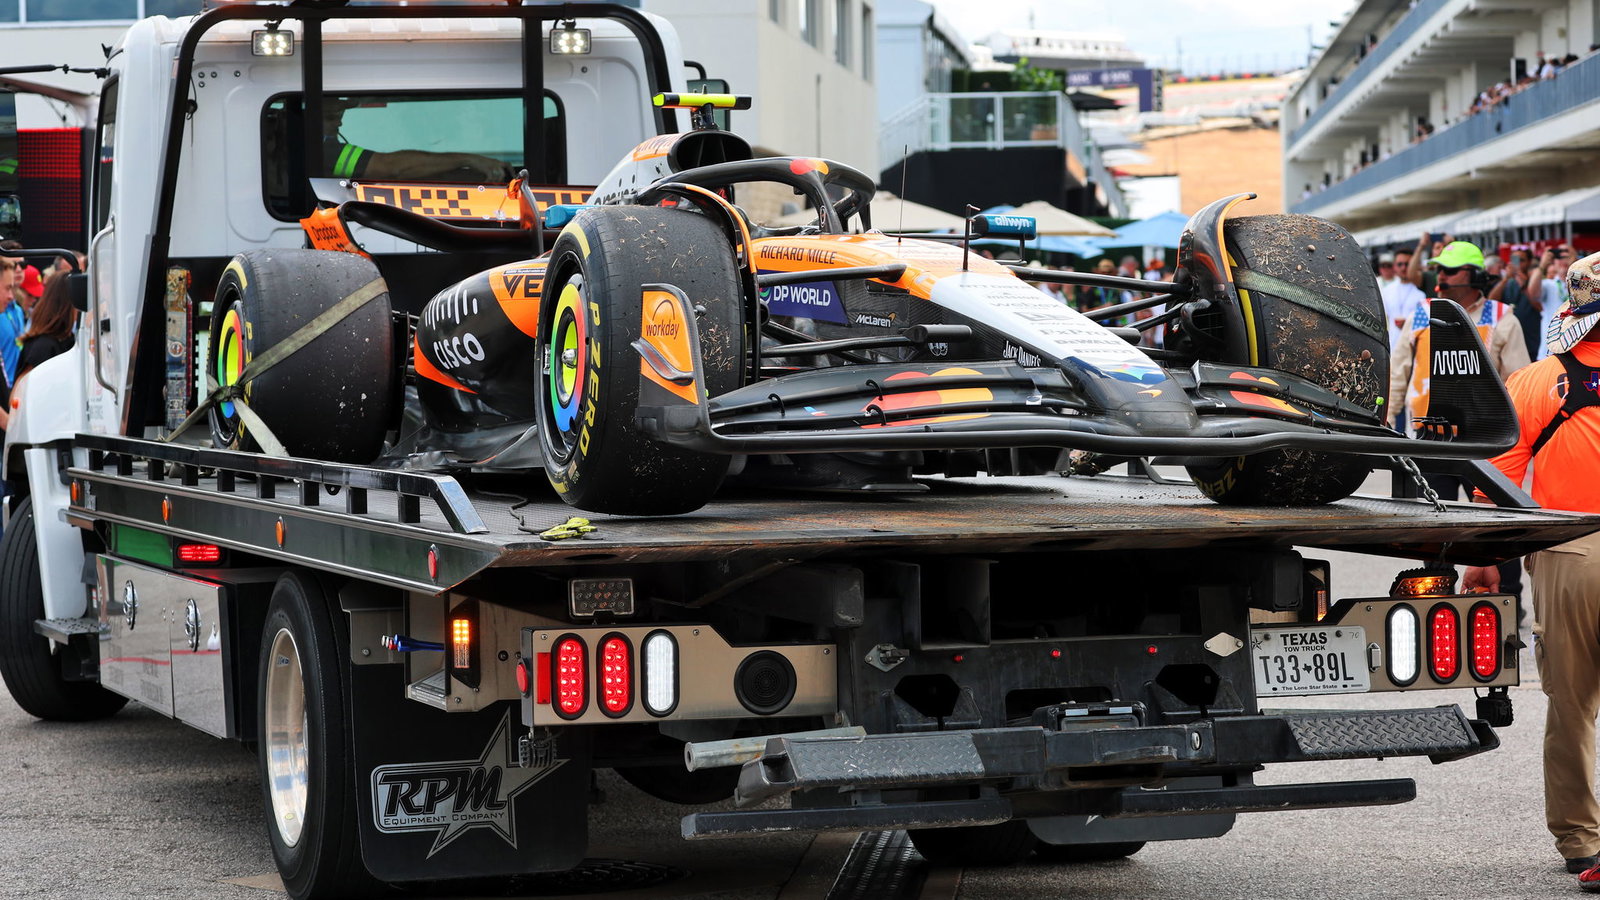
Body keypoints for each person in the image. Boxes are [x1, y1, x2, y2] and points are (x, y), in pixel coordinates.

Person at [1461, 250, 1600, 887]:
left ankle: (1584, 845)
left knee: (1572, 706)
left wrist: (1486, 561)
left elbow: (1496, 480)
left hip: (1571, 553)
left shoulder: (1541, 382)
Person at [1390, 240, 1529, 436]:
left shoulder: (1501, 318)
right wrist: (1387, 417)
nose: (1441, 275)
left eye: (1450, 270)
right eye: (1439, 269)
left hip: (1481, 434)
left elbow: (1519, 382)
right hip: (1423, 433)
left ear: (1476, 275)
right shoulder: (1422, 314)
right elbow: (1397, 372)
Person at [321, 97, 511, 182]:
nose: (339, 124)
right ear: (309, 118)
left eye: (340, 116)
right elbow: (392, 168)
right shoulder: (321, 150)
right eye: (331, 117)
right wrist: (468, 159)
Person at [1530, 245, 1575, 360]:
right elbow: (1533, 293)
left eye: (1567, 256)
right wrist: (1542, 265)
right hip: (1549, 352)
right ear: (1553, 263)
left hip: (1574, 349)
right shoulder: (1549, 284)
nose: (1563, 261)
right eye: (1560, 257)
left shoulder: (1580, 285)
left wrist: (1576, 264)